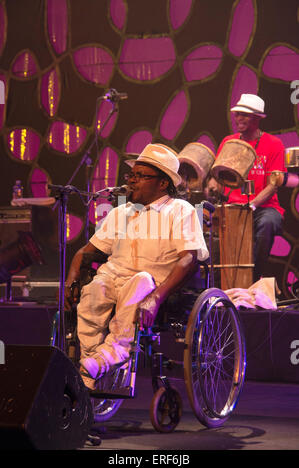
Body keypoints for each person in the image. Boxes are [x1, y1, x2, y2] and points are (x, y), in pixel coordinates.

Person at [64, 143, 209, 390]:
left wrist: (155, 298)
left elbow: (189, 259)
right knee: (95, 288)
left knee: (139, 280)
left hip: (151, 283)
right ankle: (90, 365)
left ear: (163, 183)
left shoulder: (179, 210)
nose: (132, 181)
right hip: (114, 278)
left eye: (140, 176)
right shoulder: (120, 212)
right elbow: (85, 252)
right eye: (132, 175)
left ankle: (108, 357)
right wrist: (70, 281)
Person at [212, 93, 286, 282]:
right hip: (233, 207)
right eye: (237, 114)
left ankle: (251, 281)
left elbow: (273, 184)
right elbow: (217, 177)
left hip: (263, 208)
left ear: (257, 118)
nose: (238, 118)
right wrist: (212, 187)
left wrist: (251, 205)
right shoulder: (229, 142)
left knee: (267, 223)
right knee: (206, 224)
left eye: (244, 115)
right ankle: (218, 285)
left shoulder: (274, 144)